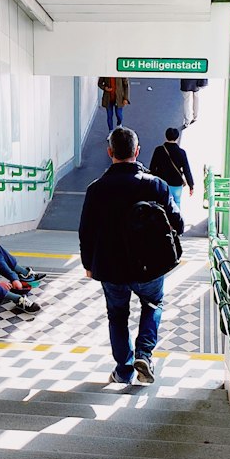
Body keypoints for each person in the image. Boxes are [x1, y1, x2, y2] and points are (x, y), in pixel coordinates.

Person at [78, 127, 184, 388]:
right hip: (149, 266)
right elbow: (178, 224)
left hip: (110, 269)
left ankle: (123, 370)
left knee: (117, 315)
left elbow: (86, 231)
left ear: (109, 152)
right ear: (137, 151)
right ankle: (144, 355)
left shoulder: (96, 189)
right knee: (152, 305)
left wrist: (88, 264)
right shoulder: (156, 185)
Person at [149, 127, 194, 215]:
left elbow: (152, 168)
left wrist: (152, 183)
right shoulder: (181, 152)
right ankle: (176, 222)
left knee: (162, 204)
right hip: (176, 183)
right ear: (177, 138)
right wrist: (191, 185)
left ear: (166, 137)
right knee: (176, 202)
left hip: (162, 183)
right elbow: (186, 170)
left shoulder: (159, 150)